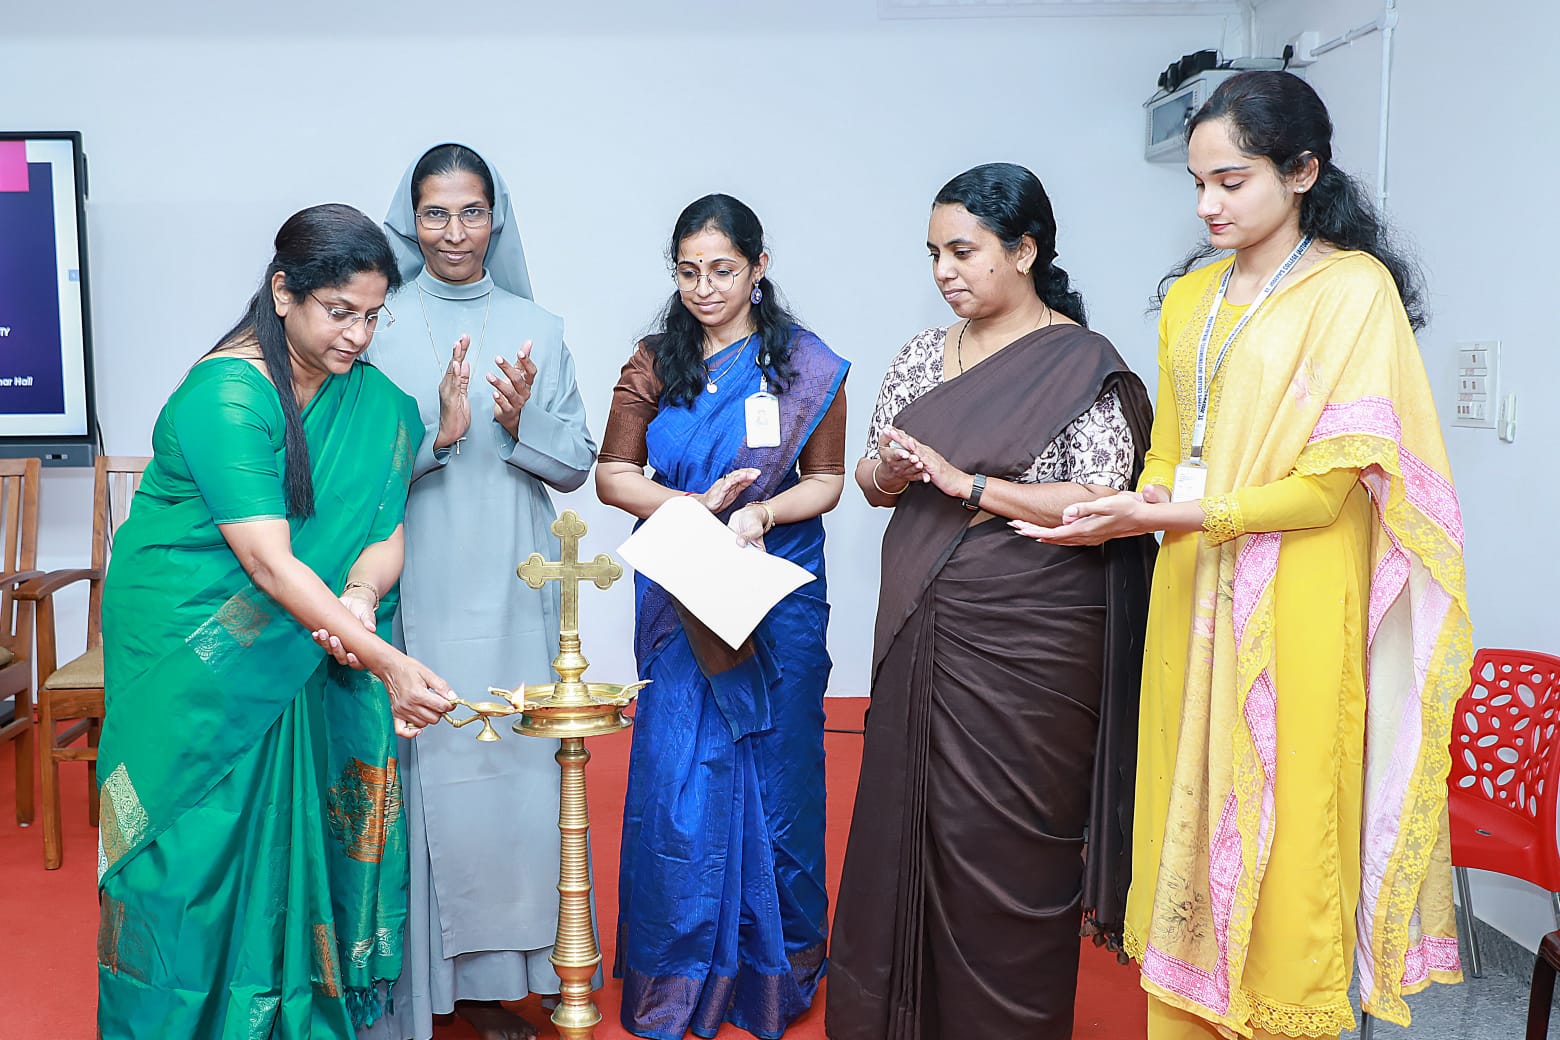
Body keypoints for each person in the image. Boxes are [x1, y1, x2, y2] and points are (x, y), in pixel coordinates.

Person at [1015, 71, 1471, 1039]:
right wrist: (1132, 505)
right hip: (1189, 580)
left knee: (1287, 810)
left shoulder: (1352, 291)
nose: (1207, 205)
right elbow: (1167, 452)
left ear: (1302, 172)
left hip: (1298, 589)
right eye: (1198, 183)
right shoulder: (1191, 297)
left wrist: (1176, 514)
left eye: (1231, 181)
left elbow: (1325, 491)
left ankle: (1280, 1011)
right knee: (1182, 802)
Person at [95, 204, 456, 1039]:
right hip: (193, 643)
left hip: (306, 633)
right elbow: (266, 563)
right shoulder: (226, 395)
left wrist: (358, 598)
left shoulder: (371, 403)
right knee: (185, 850)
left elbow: (383, 525)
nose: (358, 335)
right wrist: (386, 662)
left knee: (296, 837)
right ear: (284, 291)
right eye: (340, 312)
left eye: (373, 316)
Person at [826, 162, 1156, 1040]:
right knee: (906, 825)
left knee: (1009, 845)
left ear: (1025, 250)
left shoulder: (1083, 363)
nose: (945, 270)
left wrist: (968, 484)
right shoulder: (920, 356)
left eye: (963, 251)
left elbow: (1100, 498)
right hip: (923, 617)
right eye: (934, 253)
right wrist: (890, 472)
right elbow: (871, 482)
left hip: (1036, 638)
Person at [595, 193, 848, 1040]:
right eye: (689, 272)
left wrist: (759, 513)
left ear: (758, 268)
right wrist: (690, 507)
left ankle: (774, 977)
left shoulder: (805, 366)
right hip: (683, 586)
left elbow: (827, 482)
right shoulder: (653, 361)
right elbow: (613, 474)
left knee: (779, 778)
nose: (705, 288)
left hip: (774, 589)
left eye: (723, 271)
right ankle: (677, 978)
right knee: (680, 776)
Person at [358, 143, 597, 1040]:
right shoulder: (378, 323)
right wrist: (441, 433)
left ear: (496, 218)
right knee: (425, 770)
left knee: (511, 780)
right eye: (435, 214)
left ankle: (499, 982)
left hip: (511, 581)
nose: (454, 232)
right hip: (409, 577)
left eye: (471, 212)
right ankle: (412, 991)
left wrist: (521, 418)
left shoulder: (541, 326)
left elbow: (574, 464)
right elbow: (348, 467)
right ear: (410, 220)